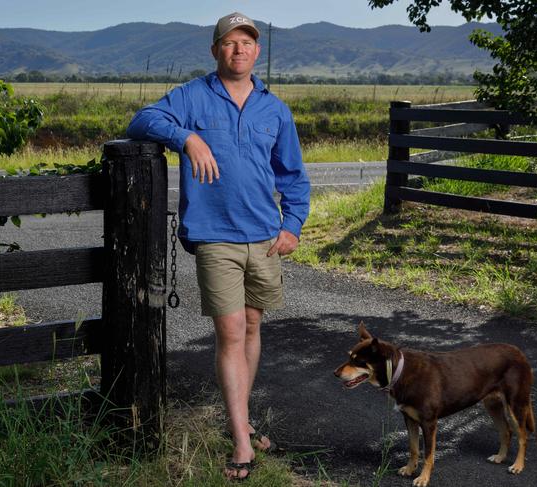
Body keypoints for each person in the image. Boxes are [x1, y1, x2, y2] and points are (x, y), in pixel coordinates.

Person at [127, 11, 310, 481]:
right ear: (215, 50)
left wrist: (292, 225)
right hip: (215, 238)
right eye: (229, 43)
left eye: (246, 42)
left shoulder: (274, 108)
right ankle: (242, 443)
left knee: (252, 328)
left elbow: (292, 175)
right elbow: (142, 119)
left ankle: (242, 421)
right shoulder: (193, 96)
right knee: (230, 334)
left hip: (266, 239)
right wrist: (185, 136)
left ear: (257, 50)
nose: (238, 50)